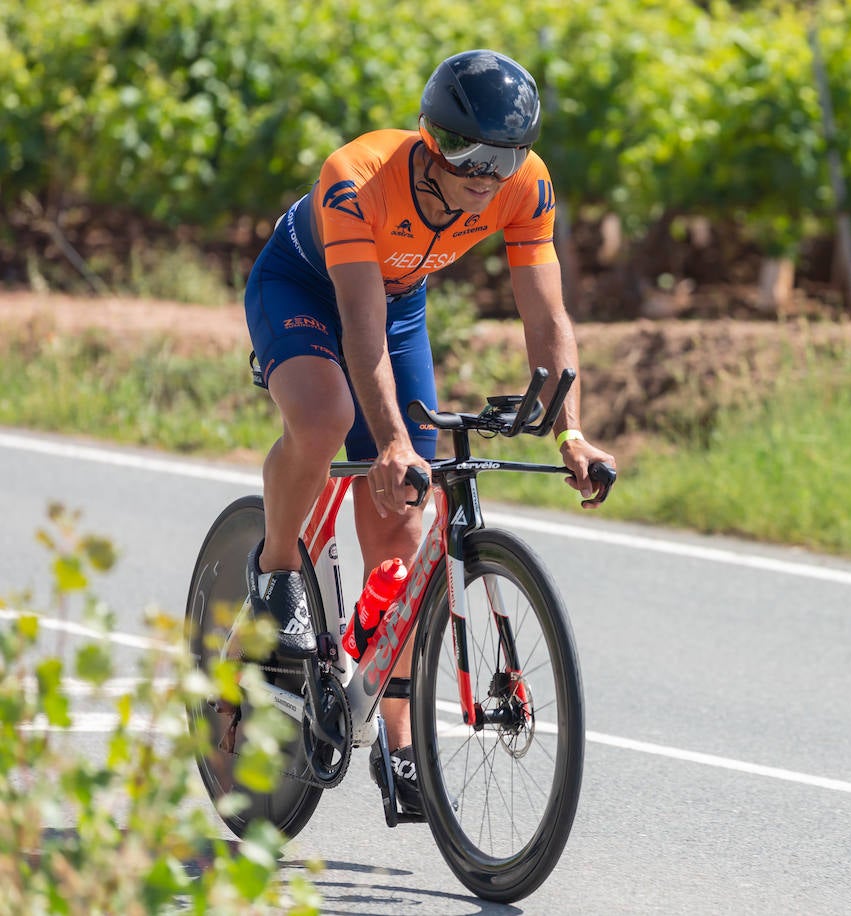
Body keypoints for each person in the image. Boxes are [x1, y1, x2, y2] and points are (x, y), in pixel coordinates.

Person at [241, 49, 615, 817]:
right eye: (466, 153)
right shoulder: (357, 178)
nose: (486, 173)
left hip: (399, 297)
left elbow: (546, 317)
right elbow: (359, 330)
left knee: (407, 523)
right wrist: (389, 441)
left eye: (503, 156)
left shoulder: (527, 183)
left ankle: (398, 740)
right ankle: (276, 571)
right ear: (427, 134)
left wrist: (571, 434)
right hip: (309, 286)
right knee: (326, 420)